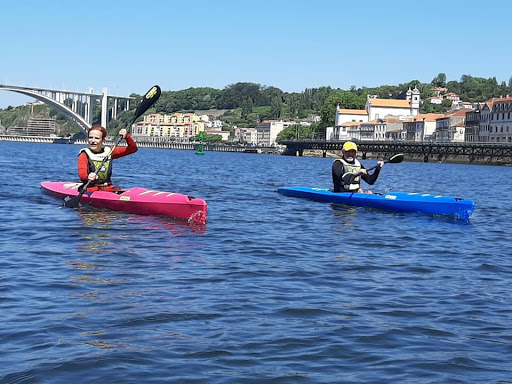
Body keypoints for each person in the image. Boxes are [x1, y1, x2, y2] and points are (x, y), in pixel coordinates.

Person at [78, 125, 138, 192]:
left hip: (108, 188)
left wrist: (127, 136)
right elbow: (82, 175)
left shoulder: (110, 151)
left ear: (103, 140)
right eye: (90, 138)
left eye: (97, 138)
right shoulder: (84, 155)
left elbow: (133, 149)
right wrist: (88, 177)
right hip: (91, 189)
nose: (93, 141)